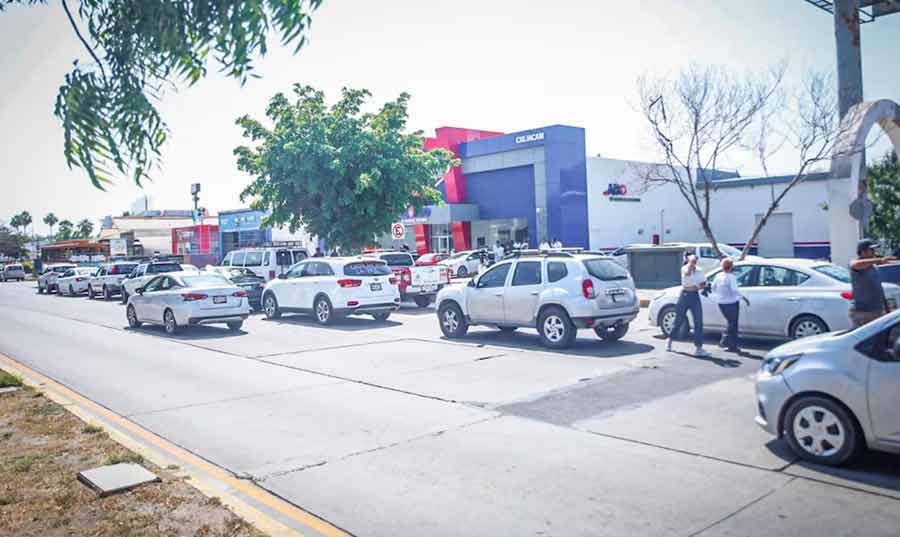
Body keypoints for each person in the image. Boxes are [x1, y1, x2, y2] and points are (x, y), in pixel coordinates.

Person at [666, 254, 711, 357]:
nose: (694, 262)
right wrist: (690, 264)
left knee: (698, 321)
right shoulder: (684, 268)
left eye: (695, 260)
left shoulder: (700, 270)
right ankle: (670, 339)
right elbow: (687, 274)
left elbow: (703, 283)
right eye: (692, 260)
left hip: (695, 296)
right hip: (685, 295)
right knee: (679, 320)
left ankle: (698, 348)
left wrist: (701, 286)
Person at [848, 239, 896, 328]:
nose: (874, 252)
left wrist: (886, 309)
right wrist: (880, 260)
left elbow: (878, 287)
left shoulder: (873, 267)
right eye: (872, 250)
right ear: (862, 251)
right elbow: (855, 265)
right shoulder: (855, 263)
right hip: (862, 313)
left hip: (877, 311)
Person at [712, 258, 750, 352]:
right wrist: (743, 297)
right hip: (732, 302)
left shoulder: (718, 276)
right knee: (733, 324)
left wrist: (721, 294)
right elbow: (734, 289)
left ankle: (730, 345)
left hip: (721, 302)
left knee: (730, 322)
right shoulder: (731, 277)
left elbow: (713, 287)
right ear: (731, 267)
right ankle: (726, 341)